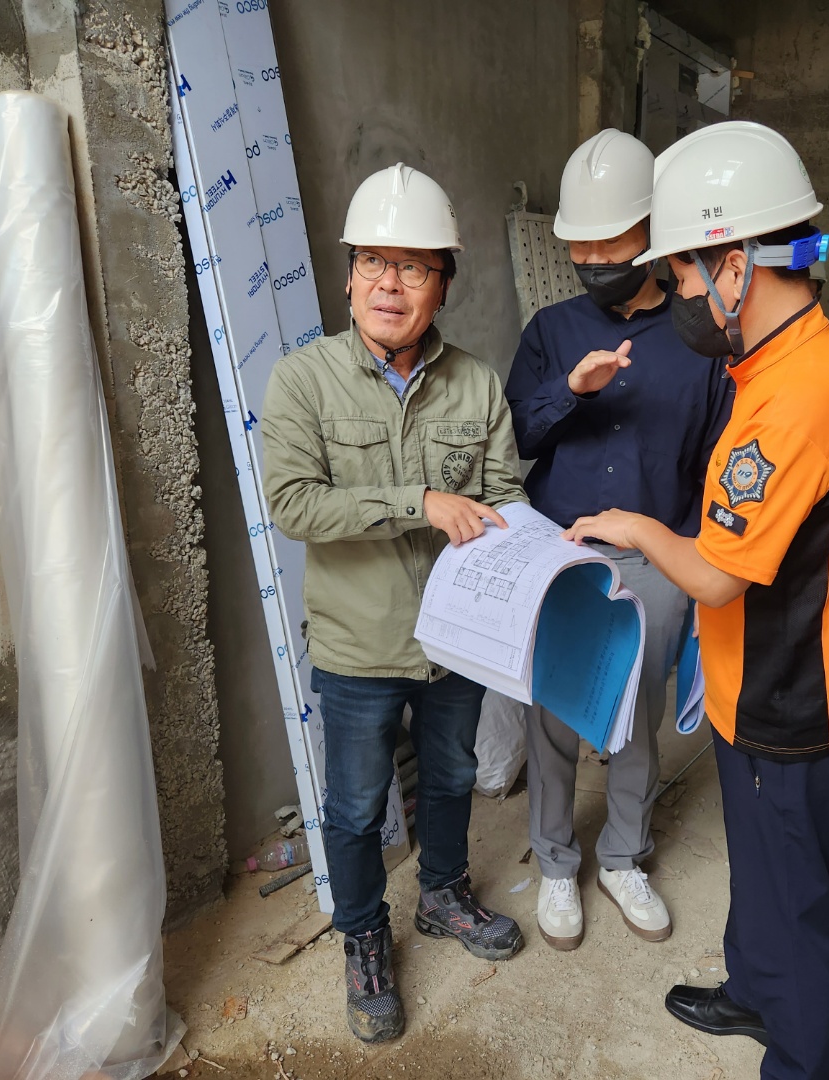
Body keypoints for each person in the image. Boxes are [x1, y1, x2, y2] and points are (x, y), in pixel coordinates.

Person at [562, 120, 829, 1080]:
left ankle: (798, 1058)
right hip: (763, 688)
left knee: (794, 903)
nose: (675, 293)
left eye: (679, 272)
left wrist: (634, 527)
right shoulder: (793, 364)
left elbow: (719, 575)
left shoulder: (795, 396)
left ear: (733, 266)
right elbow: (825, 531)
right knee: (763, 879)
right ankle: (752, 993)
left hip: (791, 709)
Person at [261, 163, 527, 1044]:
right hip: (358, 645)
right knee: (353, 807)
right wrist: (419, 502)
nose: (389, 284)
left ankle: (442, 894)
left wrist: (540, 549)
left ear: (442, 283)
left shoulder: (477, 384)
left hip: (455, 641)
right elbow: (294, 504)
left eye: (414, 267)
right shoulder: (302, 381)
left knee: (451, 777)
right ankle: (364, 936)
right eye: (373, 261)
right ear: (348, 277)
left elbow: (503, 495)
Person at [505, 129, 732, 951]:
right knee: (552, 715)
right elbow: (516, 437)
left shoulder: (702, 338)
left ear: (653, 234)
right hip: (559, 554)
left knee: (637, 713)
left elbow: (717, 458)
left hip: (656, 555)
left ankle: (623, 857)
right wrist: (569, 390)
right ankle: (556, 863)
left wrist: (697, 564)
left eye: (612, 241)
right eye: (581, 244)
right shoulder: (550, 330)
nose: (595, 258)